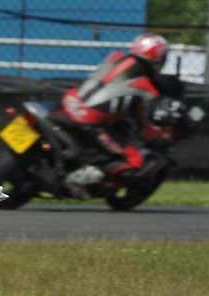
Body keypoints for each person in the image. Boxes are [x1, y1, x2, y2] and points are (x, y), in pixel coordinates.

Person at [59, 33, 170, 189]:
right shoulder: (146, 86)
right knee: (135, 161)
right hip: (91, 120)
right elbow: (145, 120)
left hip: (70, 101)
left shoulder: (114, 58)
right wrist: (156, 133)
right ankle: (90, 176)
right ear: (158, 59)